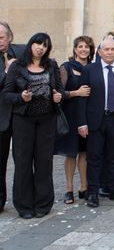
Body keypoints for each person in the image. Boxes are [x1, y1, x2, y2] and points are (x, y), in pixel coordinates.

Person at [1, 33, 63, 219]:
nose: (40, 48)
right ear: (31, 45)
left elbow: (59, 89)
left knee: (44, 162)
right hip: (23, 120)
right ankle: (24, 205)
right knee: (23, 162)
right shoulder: (18, 66)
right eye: (38, 43)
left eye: (45, 45)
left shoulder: (51, 65)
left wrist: (58, 96)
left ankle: (43, 204)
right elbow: (6, 94)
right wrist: (21, 97)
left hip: (47, 119)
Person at [77, 38, 114, 207]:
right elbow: (82, 98)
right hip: (95, 119)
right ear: (100, 52)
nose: (109, 52)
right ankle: (93, 193)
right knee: (94, 157)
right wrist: (82, 123)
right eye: (106, 49)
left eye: (112, 49)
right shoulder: (89, 70)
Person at [55, 36, 94, 205]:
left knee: (85, 153)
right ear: (75, 49)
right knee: (71, 153)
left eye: (87, 47)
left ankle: (83, 187)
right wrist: (76, 93)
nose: (83, 49)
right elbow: (59, 93)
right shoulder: (66, 67)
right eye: (80, 46)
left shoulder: (93, 68)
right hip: (71, 115)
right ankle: (69, 189)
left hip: (88, 116)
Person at [0, 21, 25, 214]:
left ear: (10, 37)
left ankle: (24, 201)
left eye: (1, 37)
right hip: (1, 118)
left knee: (23, 160)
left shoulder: (23, 52)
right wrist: (7, 72)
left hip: (22, 116)